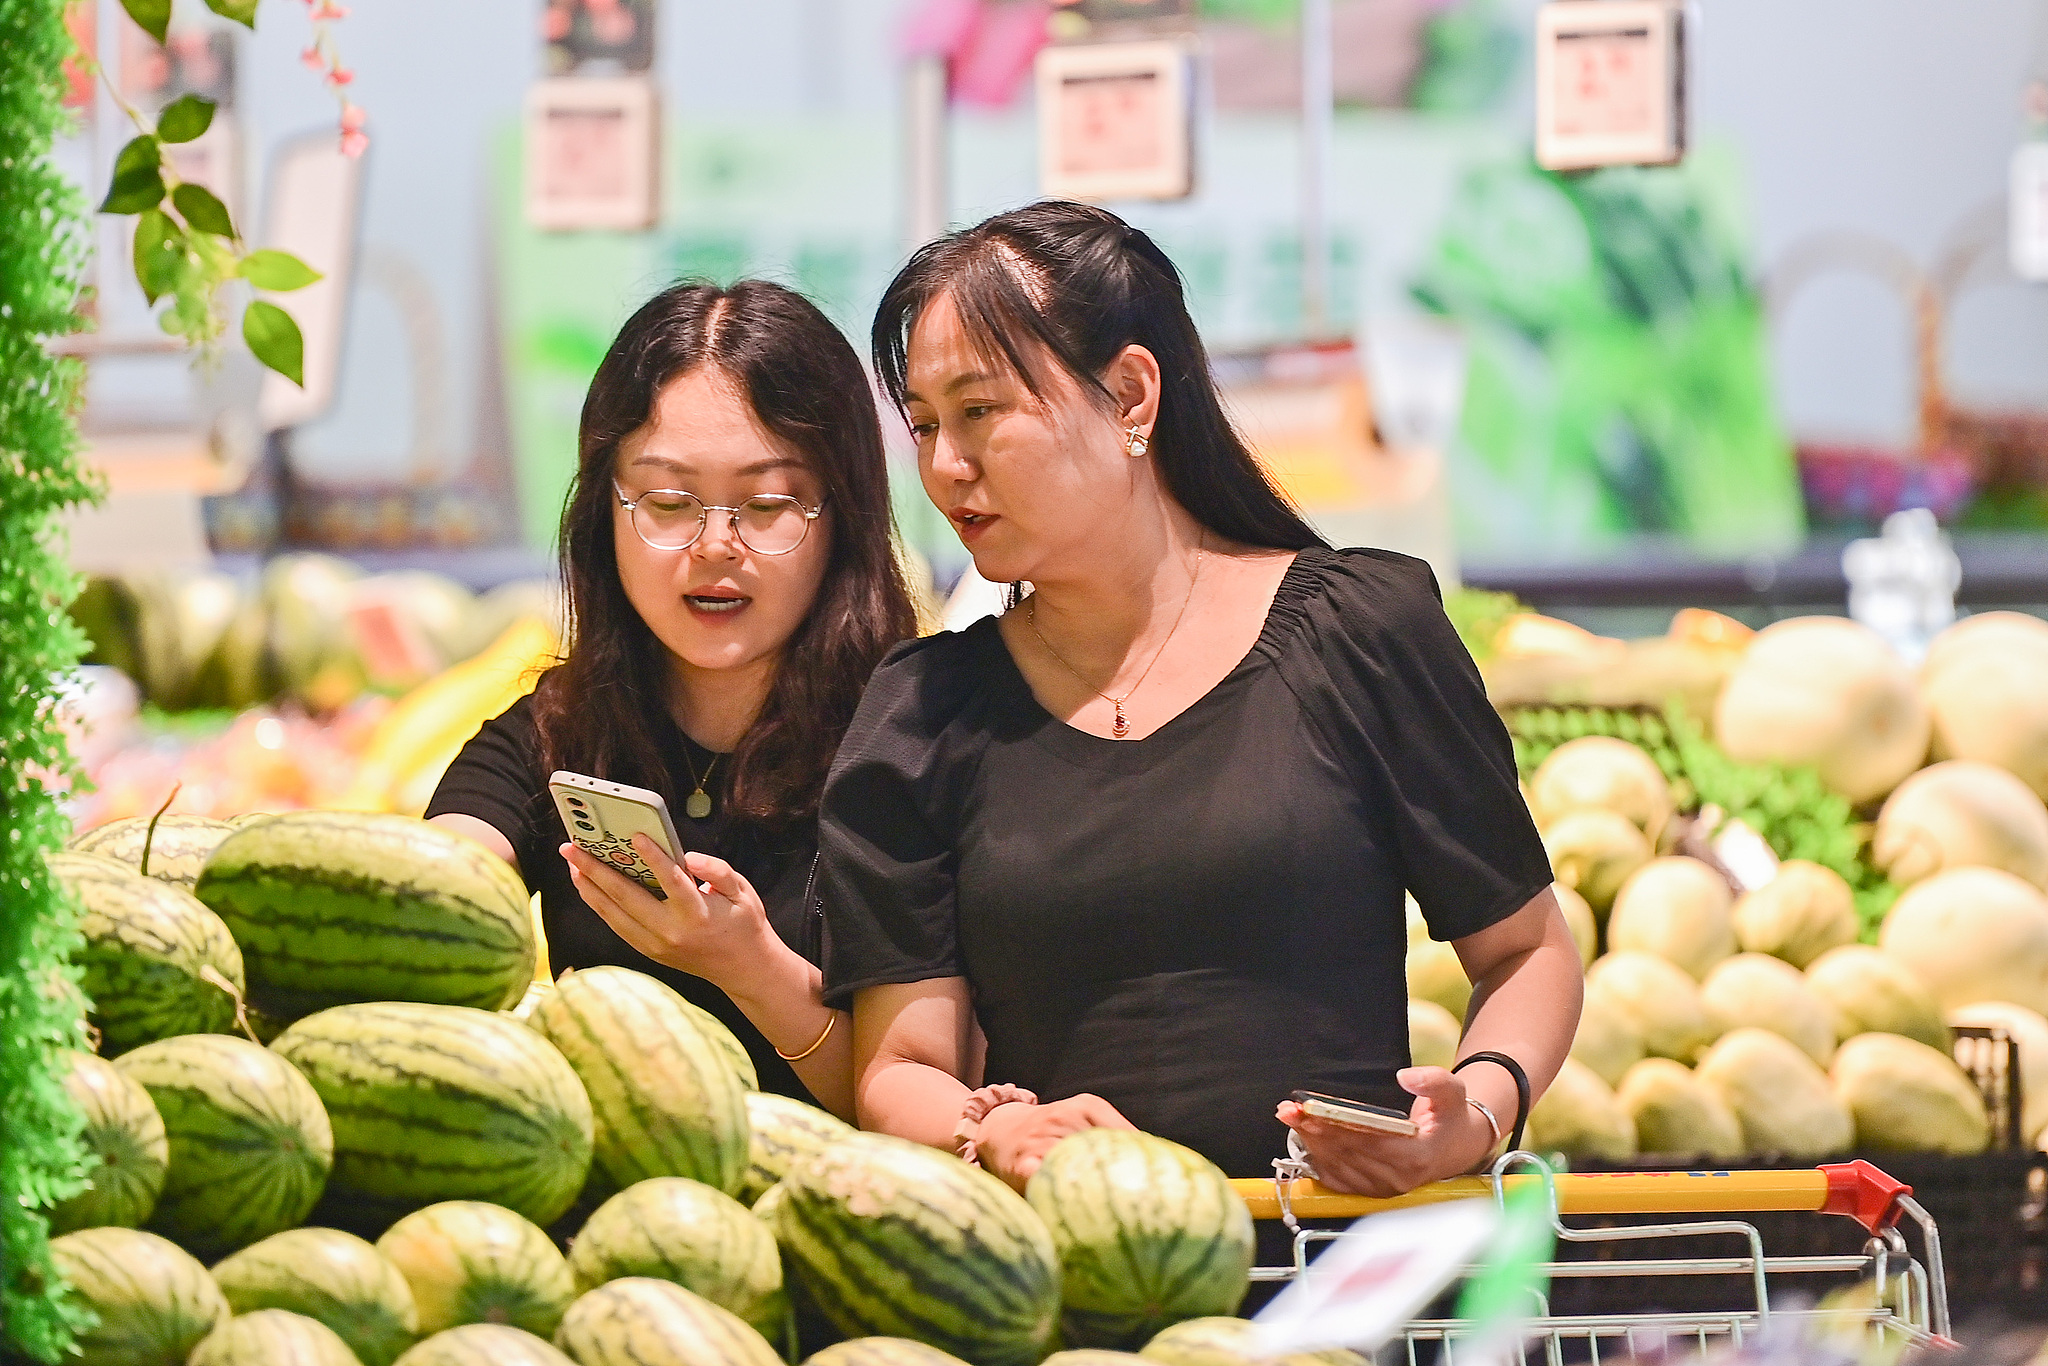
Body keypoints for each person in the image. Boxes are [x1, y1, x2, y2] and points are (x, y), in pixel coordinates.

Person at [818, 201, 1583, 1195]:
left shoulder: (1359, 631)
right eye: (921, 426)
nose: (944, 466)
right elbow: (899, 1067)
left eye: (979, 412)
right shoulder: (922, 716)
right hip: (1076, 1294)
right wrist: (987, 1132)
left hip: (1334, 1288)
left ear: (1131, 395)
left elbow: (1527, 951)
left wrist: (1473, 1115)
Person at [428, 280, 918, 1119]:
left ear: (843, 516)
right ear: (604, 513)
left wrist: (747, 963)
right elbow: (443, 886)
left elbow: (923, 1099)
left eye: (767, 505)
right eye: (667, 502)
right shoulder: (549, 738)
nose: (715, 547)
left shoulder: (916, 746)